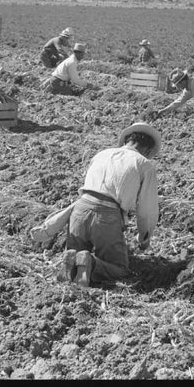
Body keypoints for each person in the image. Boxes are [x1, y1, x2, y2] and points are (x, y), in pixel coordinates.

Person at [51, 123, 162, 287]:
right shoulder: (144, 164)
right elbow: (146, 209)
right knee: (120, 268)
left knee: (76, 254)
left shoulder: (101, 154)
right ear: (147, 150)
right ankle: (91, 263)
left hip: (80, 209)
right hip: (107, 215)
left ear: (127, 140)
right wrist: (144, 236)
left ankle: (73, 260)